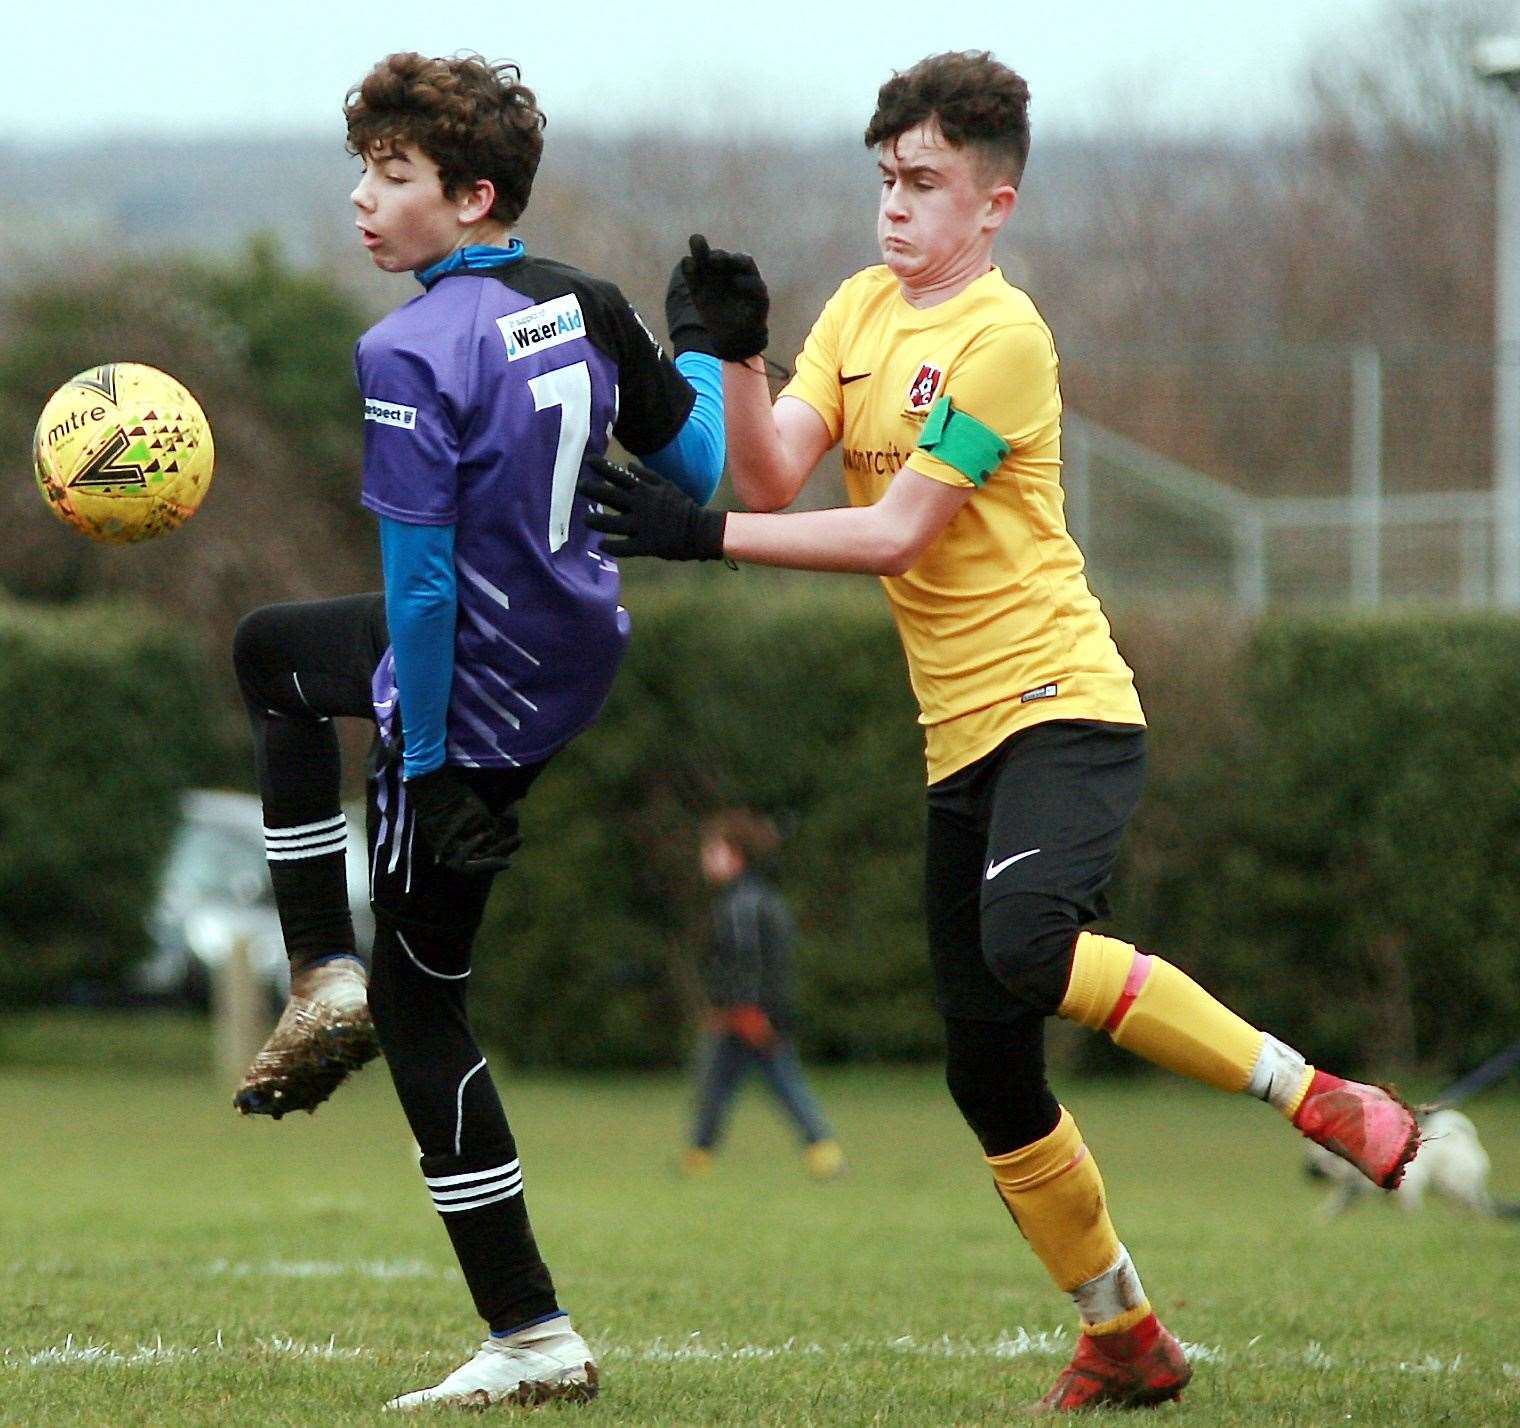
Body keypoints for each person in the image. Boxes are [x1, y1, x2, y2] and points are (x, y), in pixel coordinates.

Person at [579, 50, 1421, 1414]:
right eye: (885, 182)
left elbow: (897, 528)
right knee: (987, 1074)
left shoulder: (1004, 341)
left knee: (1027, 949)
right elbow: (771, 468)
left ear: (995, 205)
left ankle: (1316, 1092)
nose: (895, 210)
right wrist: (730, 355)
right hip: (957, 736)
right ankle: (1127, 1334)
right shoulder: (858, 310)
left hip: (1064, 706)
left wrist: (704, 540)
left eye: (925, 184)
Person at [229, 51, 726, 1411]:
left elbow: (425, 587)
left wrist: (435, 762)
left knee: (422, 1000)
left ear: (474, 194)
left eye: (391, 177)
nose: (361, 200)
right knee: (274, 656)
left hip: (478, 694)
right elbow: (700, 470)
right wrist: (710, 351)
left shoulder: (404, 348)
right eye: (366, 170)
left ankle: (530, 1334)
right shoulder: (589, 299)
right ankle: (320, 968)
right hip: (572, 658)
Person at [683, 809, 843, 1180]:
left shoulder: (743, 904)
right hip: (746, 1013)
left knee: (780, 1082)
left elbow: (750, 962)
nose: (706, 858)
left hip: (750, 1016)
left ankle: (824, 1153)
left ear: (736, 853)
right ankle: (698, 1157)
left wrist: (747, 1010)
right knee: (717, 1084)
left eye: (713, 850)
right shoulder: (749, 898)